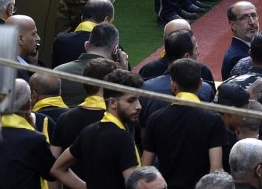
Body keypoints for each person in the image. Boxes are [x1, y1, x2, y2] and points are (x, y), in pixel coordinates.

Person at [52, 69, 145, 188]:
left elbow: (57, 169)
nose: (139, 106)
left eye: (138, 100)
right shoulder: (122, 137)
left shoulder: (88, 131)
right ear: (112, 103)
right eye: (131, 100)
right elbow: (134, 186)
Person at [142, 59, 226, 189]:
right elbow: (216, 171)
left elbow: (146, 168)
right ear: (200, 84)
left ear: (173, 85)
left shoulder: (155, 118)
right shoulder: (214, 119)